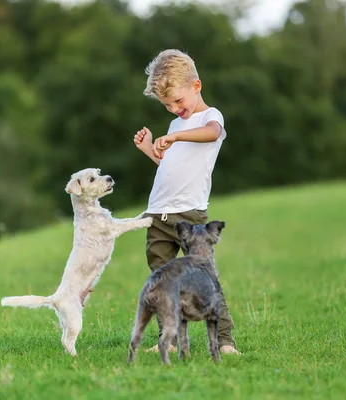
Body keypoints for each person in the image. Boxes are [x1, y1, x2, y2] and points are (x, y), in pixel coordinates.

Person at [133, 49, 240, 355]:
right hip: (159, 216)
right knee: (160, 282)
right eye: (167, 105)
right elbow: (168, 166)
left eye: (178, 101)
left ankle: (224, 341)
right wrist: (150, 149)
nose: (174, 109)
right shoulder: (174, 126)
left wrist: (177, 138)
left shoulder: (209, 117)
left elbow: (212, 134)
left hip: (190, 215)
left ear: (196, 86)